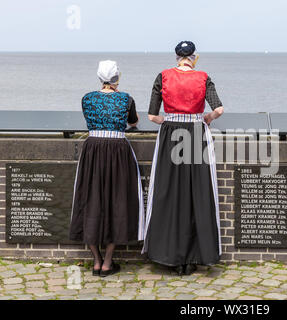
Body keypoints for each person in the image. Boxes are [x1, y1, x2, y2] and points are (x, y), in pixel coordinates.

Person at [142, 41, 224, 275]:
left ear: (177, 56)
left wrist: (167, 121)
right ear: (194, 57)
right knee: (198, 192)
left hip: (171, 135)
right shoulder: (203, 77)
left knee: (168, 193)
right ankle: (197, 254)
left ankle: (169, 254)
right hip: (196, 134)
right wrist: (206, 118)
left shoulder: (163, 77)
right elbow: (219, 109)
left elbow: (151, 115)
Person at [69, 60, 145, 277]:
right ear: (117, 78)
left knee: (90, 200)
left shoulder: (87, 98)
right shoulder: (125, 99)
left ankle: (96, 260)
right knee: (117, 201)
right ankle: (108, 262)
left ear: (99, 77)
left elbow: (91, 120)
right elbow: (133, 121)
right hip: (117, 151)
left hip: (93, 150)